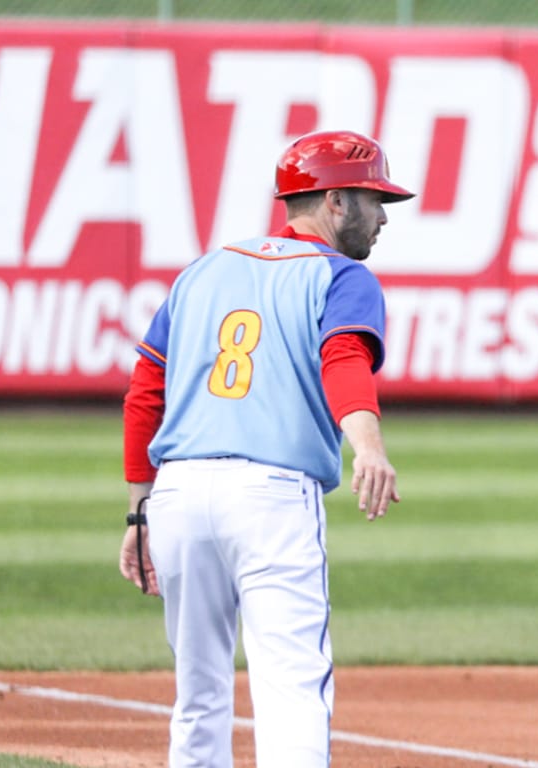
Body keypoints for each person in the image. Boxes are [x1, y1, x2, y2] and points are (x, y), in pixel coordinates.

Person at [116, 129, 413, 767]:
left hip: (179, 494)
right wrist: (368, 446)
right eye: (373, 198)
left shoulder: (202, 269)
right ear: (335, 201)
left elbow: (146, 390)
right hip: (270, 500)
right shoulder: (342, 276)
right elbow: (343, 358)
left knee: (197, 693)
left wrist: (139, 511)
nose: (383, 215)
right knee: (291, 688)